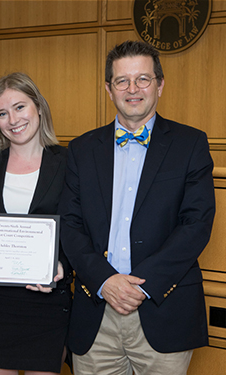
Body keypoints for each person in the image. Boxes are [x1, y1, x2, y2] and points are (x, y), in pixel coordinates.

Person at [58, 40, 216, 375]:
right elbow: (69, 225)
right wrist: (106, 281)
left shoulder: (191, 144)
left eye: (143, 79)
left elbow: (196, 223)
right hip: (95, 311)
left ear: (160, 84)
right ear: (108, 88)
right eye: (122, 81)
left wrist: (142, 286)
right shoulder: (81, 149)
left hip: (164, 308)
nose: (133, 89)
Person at [0, 72, 73, 375]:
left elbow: (81, 226)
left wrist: (63, 264)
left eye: (20, 107)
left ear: (38, 106)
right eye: (2, 113)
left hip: (47, 300)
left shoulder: (69, 161)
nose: (13, 119)